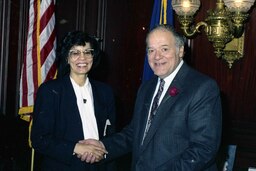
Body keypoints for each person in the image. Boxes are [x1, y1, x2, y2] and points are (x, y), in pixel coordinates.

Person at [80, 24, 222, 171]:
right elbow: (135, 133)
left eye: (164, 49)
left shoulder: (202, 87)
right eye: (151, 50)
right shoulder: (147, 88)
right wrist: (103, 146)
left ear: (180, 51)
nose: (157, 56)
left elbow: (204, 149)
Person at [31, 31, 116, 171]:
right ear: (67, 58)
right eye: (75, 53)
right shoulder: (50, 91)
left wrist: (102, 149)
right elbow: (39, 139)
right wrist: (76, 148)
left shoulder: (105, 92)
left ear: (93, 57)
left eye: (87, 52)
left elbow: (112, 134)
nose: (82, 58)